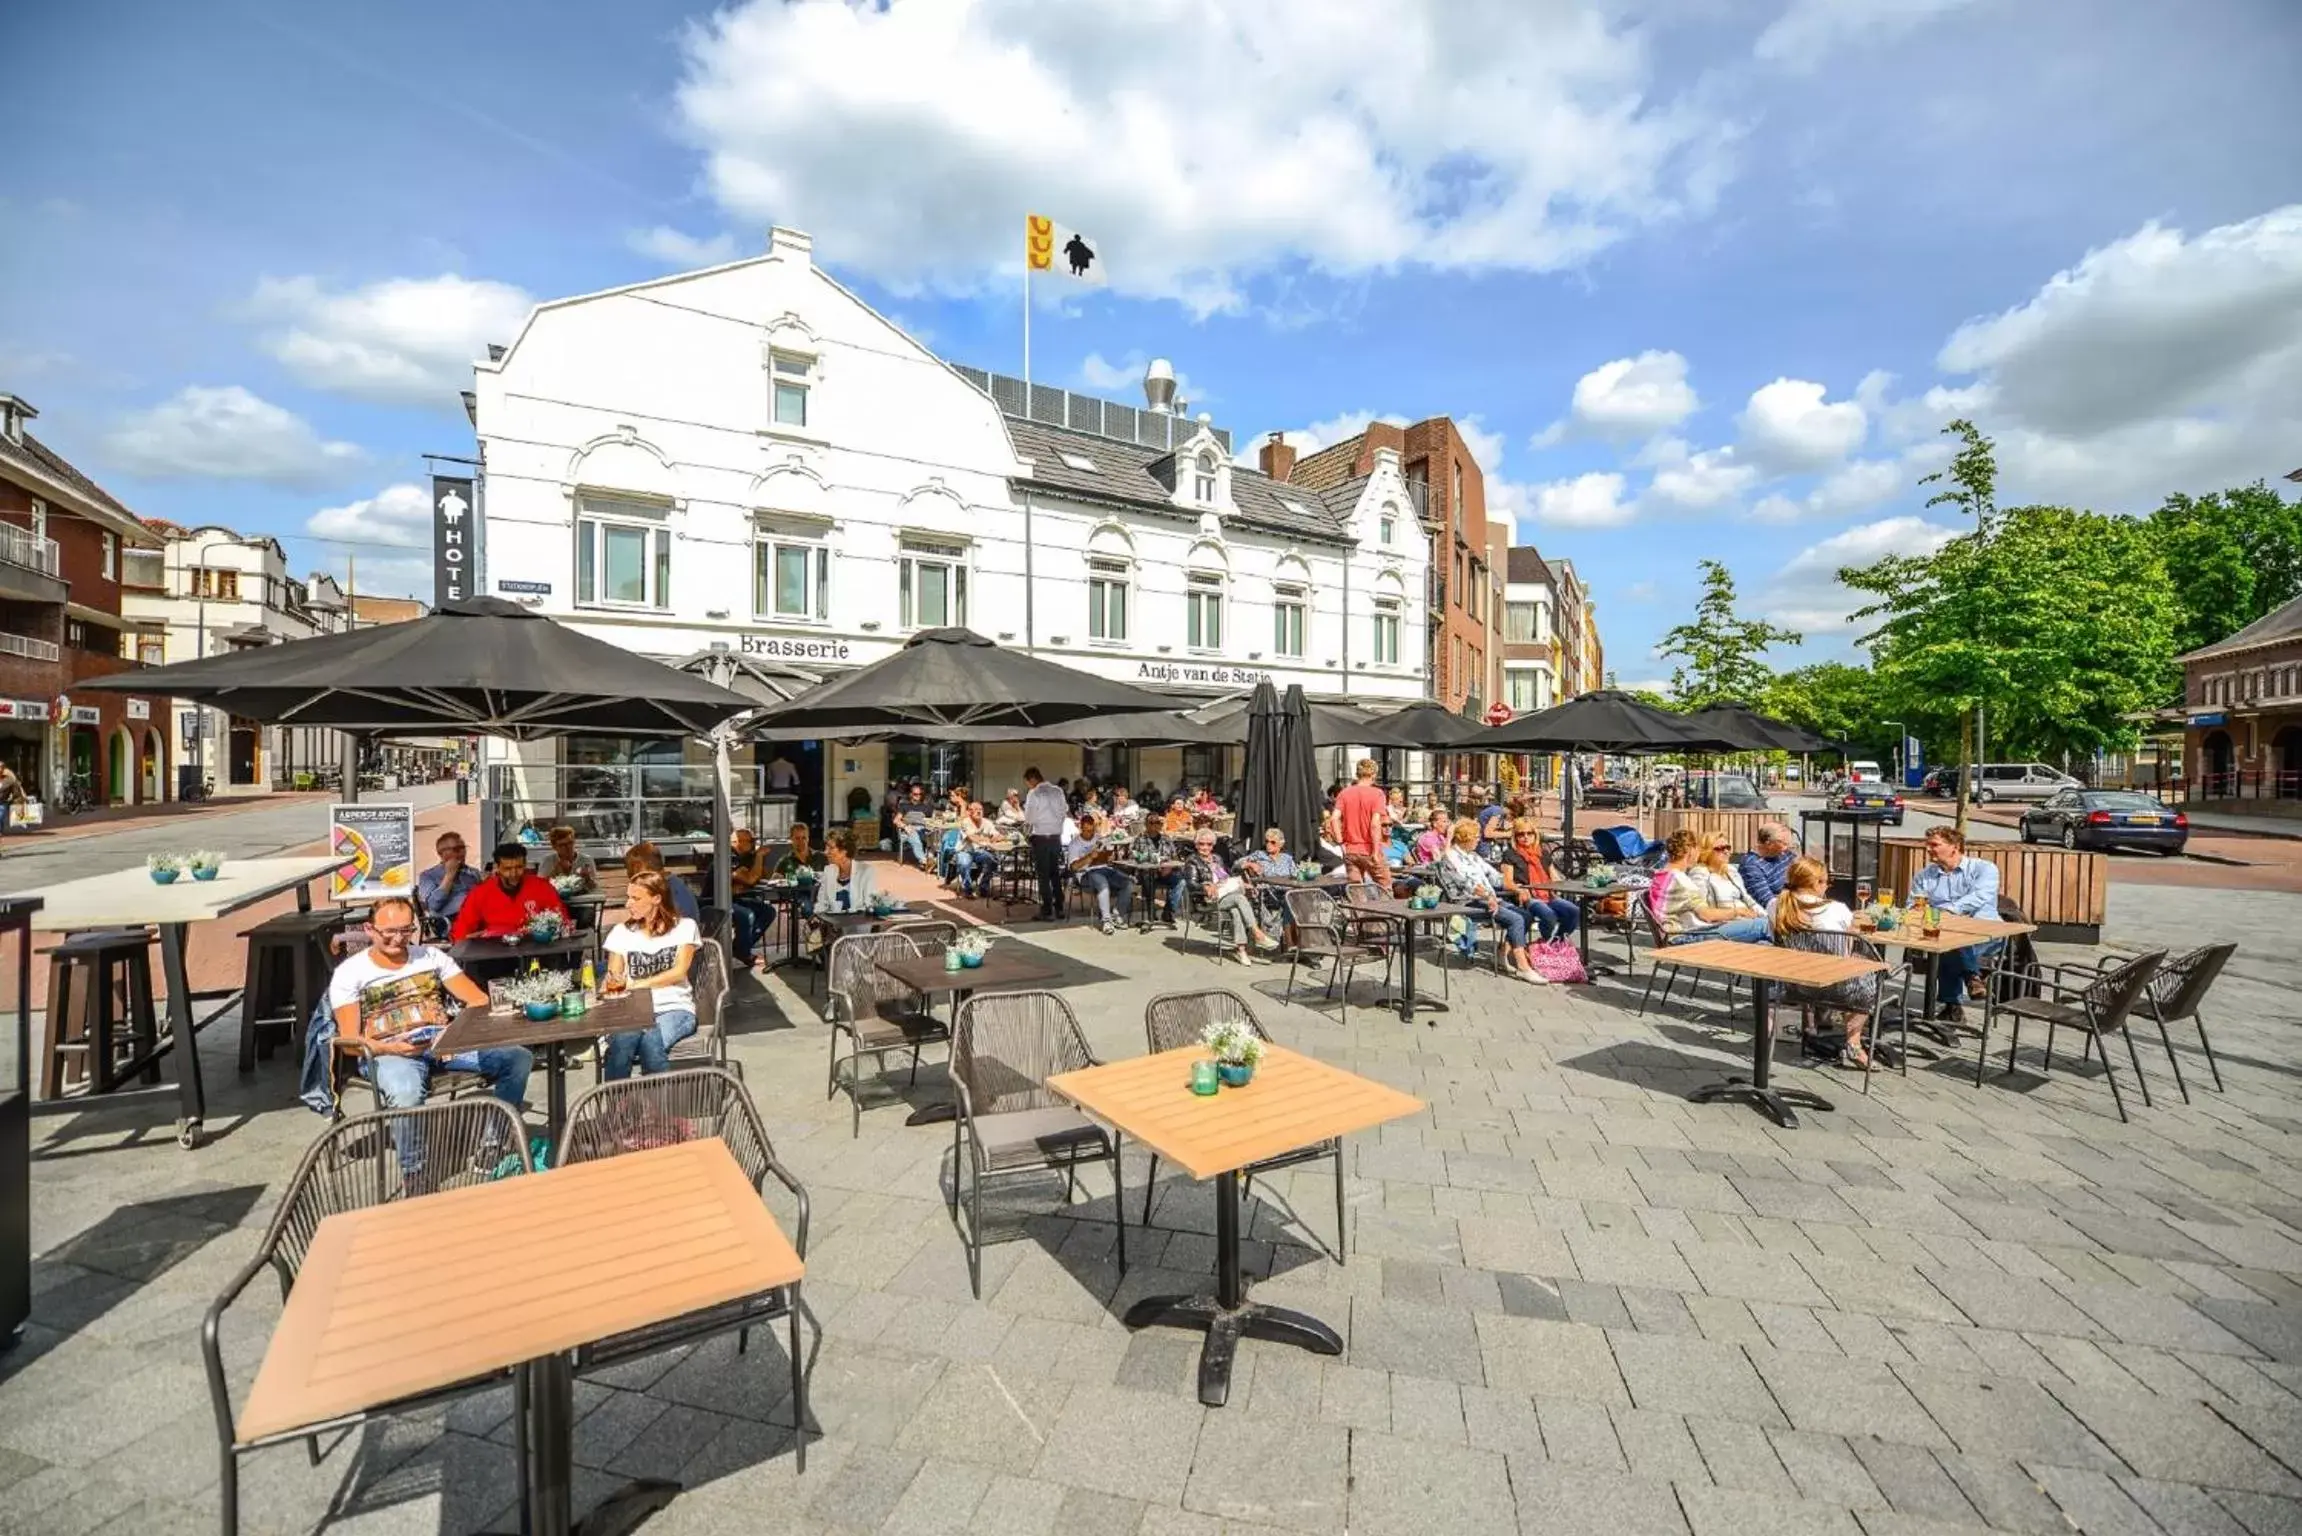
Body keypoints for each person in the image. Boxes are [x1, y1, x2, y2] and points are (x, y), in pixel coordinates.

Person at [330, 895, 529, 1124]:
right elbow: (351, 1043)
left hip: (443, 1045)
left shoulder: (431, 957)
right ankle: (415, 1161)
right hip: (388, 1053)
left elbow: (478, 1001)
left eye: (406, 930)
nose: (399, 938)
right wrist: (393, 1048)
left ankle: (495, 1143)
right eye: (390, 931)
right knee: (406, 1092)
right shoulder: (351, 972)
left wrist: (453, 1033)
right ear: (369, 929)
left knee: (517, 1058)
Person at [1770, 856, 1876, 1069]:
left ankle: (1817, 1027)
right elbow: (1845, 951)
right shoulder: (1837, 909)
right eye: (1827, 881)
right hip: (1840, 989)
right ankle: (1853, 1043)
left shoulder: (1776, 905)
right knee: (1867, 967)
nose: (1828, 886)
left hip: (1793, 986)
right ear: (1816, 883)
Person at [601, 871, 701, 1080]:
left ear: (657, 898)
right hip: (633, 1011)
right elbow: (614, 976)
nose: (628, 904)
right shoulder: (621, 932)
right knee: (621, 1044)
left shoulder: (684, 927)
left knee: (650, 1043)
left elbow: (678, 972)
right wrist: (611, 983)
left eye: (636, 898)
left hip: (674, 1007)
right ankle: (617, 1107)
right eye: (628, 897)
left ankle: (656, 1110)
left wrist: (636, 984)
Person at [1428, 818, 1544, 983]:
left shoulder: (1473, 857)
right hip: (1467, 903)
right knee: (1516, 919)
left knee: (1526, 915)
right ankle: (1523, 967)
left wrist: (1518, 887)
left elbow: (1495, 878)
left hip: (1488, 899)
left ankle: (1502, 954)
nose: (1478, 840)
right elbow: (1465, 885)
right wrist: (1487, 896)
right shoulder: (1450, 859)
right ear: (1465, 838)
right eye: (1475, 837)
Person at [1908, 825, 2002, 1019]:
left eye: (1934, 844)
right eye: (1927, 844)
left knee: (1948, 946)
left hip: (1986, 933)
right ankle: (1972, 978)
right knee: (1947, 943)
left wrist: (1947, 911)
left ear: (1955, 846)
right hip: (1945, 933)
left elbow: (1980, 896)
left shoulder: (1984, 869)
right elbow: (1914, 904)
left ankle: (1952, 1007)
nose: (1928, 848)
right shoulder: (1925, 875)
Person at [1183, 827, 1279, 965]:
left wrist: (1242, 885)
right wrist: (1204, 887)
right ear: (1196, 845)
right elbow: (1191, 884)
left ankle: (1241, 951)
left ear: (1213, 845)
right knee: (1240, 899)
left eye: (1209, 844)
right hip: (1206, 900)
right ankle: (1257, 934)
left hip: (1224, 894)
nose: (1205, 847)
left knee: (1236, 909)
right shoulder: (1192, 861)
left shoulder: (1217, 858)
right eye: (1201, 844)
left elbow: (1226, 877)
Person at [1662, 829, 1772, 944]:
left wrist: (1768, 916)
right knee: (1766, 926)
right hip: (1711, 930)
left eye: (1728, 847)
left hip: (1735, 923)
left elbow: (1748, 900)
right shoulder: (1697, 875)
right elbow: (1706, 915)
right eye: (1720, 848)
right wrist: (1738, 912)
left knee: (1766, 942)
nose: (1726, 851)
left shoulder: (1731, 871)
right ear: (1705, 851)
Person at [449, 842, 569, 942]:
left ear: (525, 865)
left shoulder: (542, 887)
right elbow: (461, 930)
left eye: (519, 867)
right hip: (494, 952)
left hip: (536, 948)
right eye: (507, 869)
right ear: (497, 867)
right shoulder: (481, 892)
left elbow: (562, 919)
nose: (513, 874)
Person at [1499, 817, 1579, 944]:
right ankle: (1548, 942)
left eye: (1529, 833)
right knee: (1549, 915)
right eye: (1521, 834)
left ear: (1535, 834)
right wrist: (1518, 889)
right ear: (1515, 836)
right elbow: (1507, 883)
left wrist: (1564, 886)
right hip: (1529, 897)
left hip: (1549, 895)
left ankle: (1554, 940)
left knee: (1573, 911)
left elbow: (1555, 878)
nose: (1525, 837)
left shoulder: (1543, 853)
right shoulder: (1510, 855)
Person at [1065, 811, 1134, 933]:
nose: (1090, 834)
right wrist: (1089, 857)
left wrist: (1109, 856)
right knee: (1102, 883)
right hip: (1086, 874)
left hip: (1104, 868)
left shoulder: (1098, 839)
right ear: (1081, 828)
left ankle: (1117, 915)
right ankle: (1106, 921)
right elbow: (1074, 867)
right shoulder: (1074, 844)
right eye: (1086, 831)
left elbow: (1108, 857)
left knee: (1128, 882)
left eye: (1092, 830)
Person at [1332, 757, 1390, 887]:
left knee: (1355, 890)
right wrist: (1375, 851)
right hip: (1369, 848)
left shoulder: (1345, 793)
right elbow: (1375, 824)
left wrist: (1340, 841)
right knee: (1385, 887)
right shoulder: (1377, 794)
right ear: (1374, 774)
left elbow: (1334, 818)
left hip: (1350, 849)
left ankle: (1357, 908)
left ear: (1357, 773)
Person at [1023, 766, 1069, 921]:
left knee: (1043, 875)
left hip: (1041, 836)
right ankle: (1060, 907)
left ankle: (1047, 909)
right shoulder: (1058, 791)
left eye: (1028, 783)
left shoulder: (1034, 793)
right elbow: (1064, 811)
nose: (1028, 786)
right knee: (1055, 873)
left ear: (1032, 779)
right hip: (1056, 836)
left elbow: (1029, 818)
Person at [415, 832, 482, 938]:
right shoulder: (428, 876)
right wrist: (449, 876)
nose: (461, 853)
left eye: (463, 848)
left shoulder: (473, 873)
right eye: (456, 849)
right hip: (447, 921)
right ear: (441, 854)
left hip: (476, 917)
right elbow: (433, 905)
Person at [1235, 825, 1301, 930]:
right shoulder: (1260, 855)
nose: (1269, 845)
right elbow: (1236, 864)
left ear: (1281, 844)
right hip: (1268, 893)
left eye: (1273, 842)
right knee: (1292, 900)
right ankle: (1290, 940)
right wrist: (1250, 864)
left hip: (1286, 890)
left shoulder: (1287, 858)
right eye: (1267, 841)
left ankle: (1304, 933)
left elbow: (1296, 875)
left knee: (1302, 898)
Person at [725, 827, 772, 967]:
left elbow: (763, 876)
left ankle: (740, 948)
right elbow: (751, 879)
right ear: (738, 842)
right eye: (751, 841)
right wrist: (759, 857)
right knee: (747, 915)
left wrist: (757, 862)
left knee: (768, 911)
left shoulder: (744, 858)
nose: (754, 844)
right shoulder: (730, 856)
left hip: (736, 899)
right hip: (717, 900)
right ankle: (743, 951)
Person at [622, 840, 701, 922]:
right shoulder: (672, 883)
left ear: (639, 868)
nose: (629, 875)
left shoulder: (668, 890)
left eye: (630, 870)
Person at [813, 829, 877, 914]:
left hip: (858, 924)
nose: (826, 852)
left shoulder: (865, 871)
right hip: (833, 925)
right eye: (826, 847)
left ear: (844, 851)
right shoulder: (828, 871)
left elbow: (869, 905)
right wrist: (818, 914)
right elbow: (821, 903)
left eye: (831, 848)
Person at [1735, 823, 1799, 907]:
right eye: (1784, 844)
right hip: (1775, 911)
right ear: (1768, 843)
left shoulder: (1784, 855)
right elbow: (1767, 901)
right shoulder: (1751, 866)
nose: (1786, 848)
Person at [950, 801, 1001, 899]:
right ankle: (968, 889)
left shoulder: (987, 822)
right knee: (964, 863)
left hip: (979, 852)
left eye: (980, 810)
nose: (979, 812)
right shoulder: (965, 822)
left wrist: (996, 836)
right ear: (969, 812)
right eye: (975, 810)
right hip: (964, 851)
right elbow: (972, 838)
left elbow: (997, 835)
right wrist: (988, 840)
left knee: (993, 860)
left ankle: (983, 886)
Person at [539, 825, 598, 894]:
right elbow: (540, 886)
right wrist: (556, 871)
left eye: (570, 843)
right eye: (562, 845)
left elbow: (594, 888)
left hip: (581, 900)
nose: (568, 847)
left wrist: (588, 878)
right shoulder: (548, 860)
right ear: (554, 847)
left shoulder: (586, 860)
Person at [897, 783, 934, 868]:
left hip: (923, 830)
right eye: (915, 794)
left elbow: (932, 820)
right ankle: (924, 861)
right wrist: (905, 827)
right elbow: (896, 820)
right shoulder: (904, 806)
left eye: (920, 794)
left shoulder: (927, 807)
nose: (918, 796)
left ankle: (931, 858)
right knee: (913, 833)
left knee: (935, 835)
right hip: (907, 830)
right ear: (910, 794)